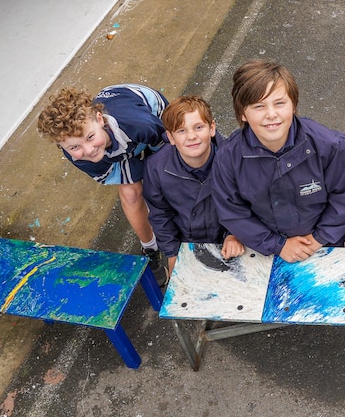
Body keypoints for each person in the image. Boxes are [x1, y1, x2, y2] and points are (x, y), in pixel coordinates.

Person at [212, 59, 345, 262]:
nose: (271, 114)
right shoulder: (228, 158)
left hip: (321, 241)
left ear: (293, 105)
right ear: (243, 113)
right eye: (258, 106)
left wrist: (321, 238)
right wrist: (277, 245)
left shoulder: (333, 147)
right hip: (266, 246)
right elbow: (232, 211)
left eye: (280, 103)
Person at [36, 84, 170, 285]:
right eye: (74, 146)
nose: (88, 150)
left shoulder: (139, 123)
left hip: (152, 120)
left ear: (100, 119)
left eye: (90, 137)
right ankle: (149, 247)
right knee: (131, 192)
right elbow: (120, 174)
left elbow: (166, 151)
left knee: (166, 177)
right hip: (123, 143)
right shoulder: (77, 156)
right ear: (62, 146)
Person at [142, 95, 245, 274]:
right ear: (170, 137)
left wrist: (234, 233)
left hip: (229, 239)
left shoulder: (233, 159)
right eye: (181, 131)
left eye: (198, 127)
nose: (191, 136)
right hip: (187, 243)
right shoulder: (156, 168)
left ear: (212, 128)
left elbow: (244, 201)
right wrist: (173, 254)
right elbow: (161, 216)